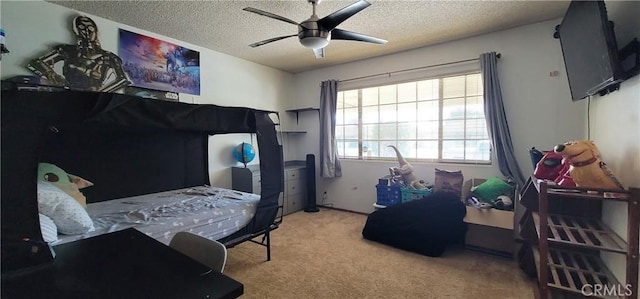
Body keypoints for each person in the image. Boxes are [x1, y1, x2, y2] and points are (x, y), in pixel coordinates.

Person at [27, 15, 130, 92]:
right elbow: (36, 62)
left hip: (93, 97)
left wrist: (102, 92)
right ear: (76, 31)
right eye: (81, 28)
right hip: (68, 93)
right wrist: (53, 76)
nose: (86, 31)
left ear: (95, 31)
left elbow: (123, 80)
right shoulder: (68, 50)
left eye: (90, 28)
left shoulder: (108, 56)